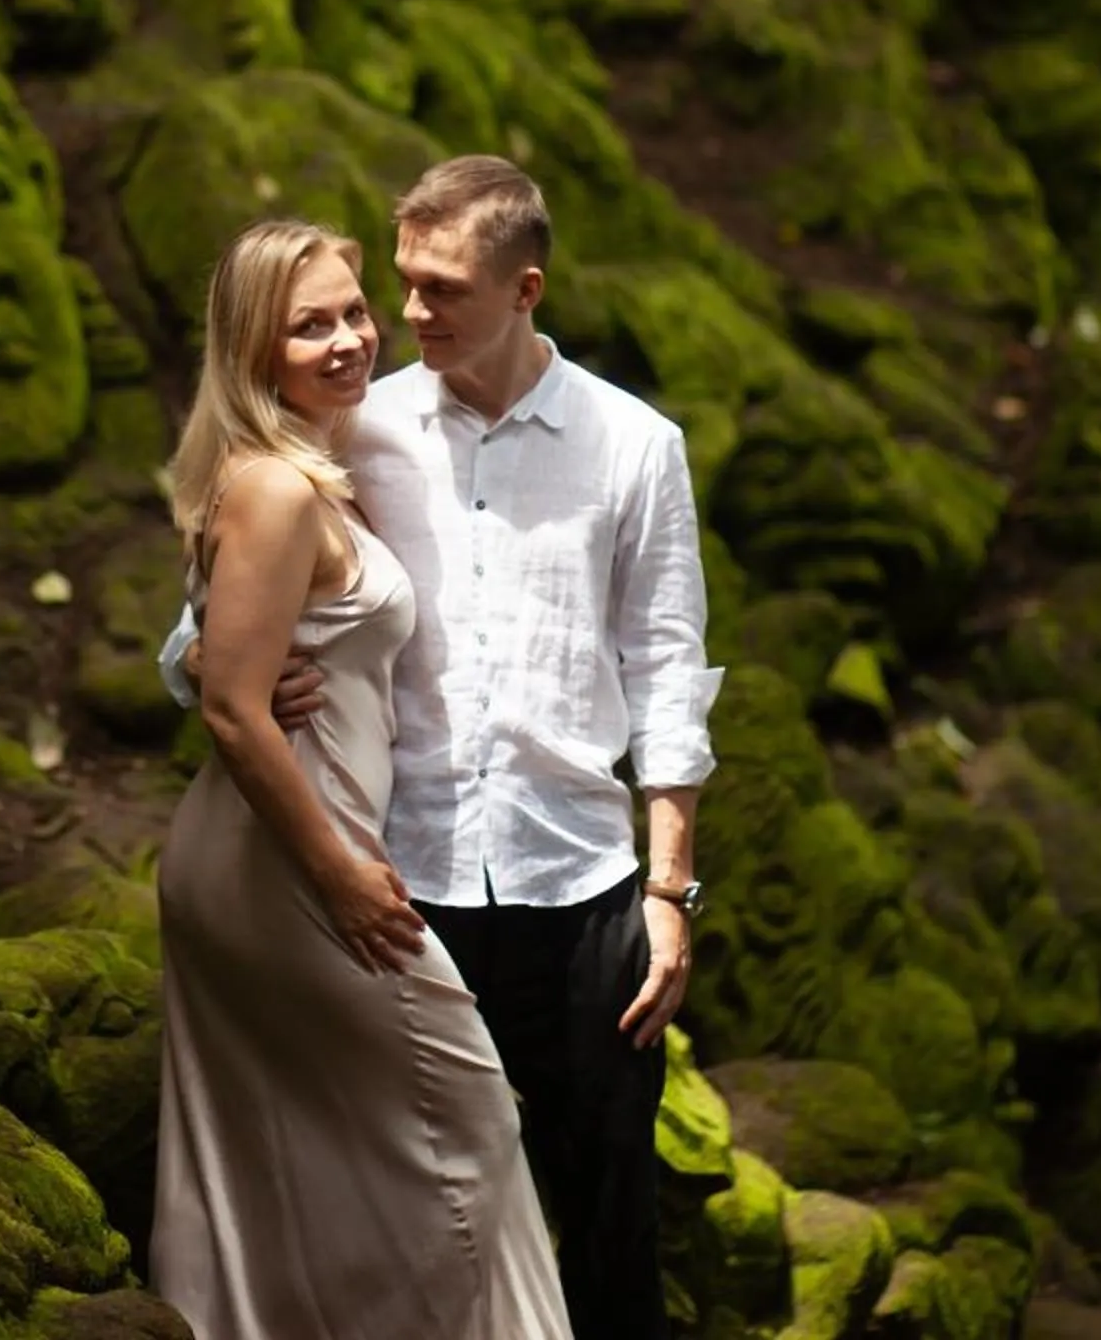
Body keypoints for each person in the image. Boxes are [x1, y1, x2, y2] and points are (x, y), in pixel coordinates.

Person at [165, 156, 722, 1339]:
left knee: (613, 1197)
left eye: (439, 289)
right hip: (398, 874)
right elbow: (210, 609)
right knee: (419, 1191)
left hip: (579, 880)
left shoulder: (635, 447)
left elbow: (670, 666)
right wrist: (216, 675)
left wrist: (671, 886)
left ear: (525, 288)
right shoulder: (355, 423)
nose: (405, 315)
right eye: (401, 283)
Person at [150, 216, 573, 1340]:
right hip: (287, 862)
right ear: (252, 348)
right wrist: (337, 873)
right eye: (308, 325)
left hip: (303, 848)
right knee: (469, 1116)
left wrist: (194, 660)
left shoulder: (318, 466)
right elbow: (240, 710)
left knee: (311, 1147)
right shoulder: (280, 488)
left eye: (353, 311)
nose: (346, 339)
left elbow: (215, 648)